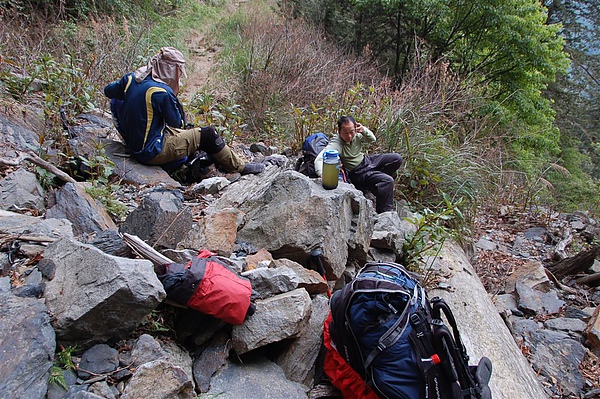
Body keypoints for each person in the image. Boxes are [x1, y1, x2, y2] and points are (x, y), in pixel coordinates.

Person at [104, 47, 265, 177]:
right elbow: (177, 122)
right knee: (208, 134)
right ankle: (240, 167)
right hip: (150, 151)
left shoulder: (132, 78)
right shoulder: (161, 92)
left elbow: (109, 91)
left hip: (134, 142)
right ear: (172, 70)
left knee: (188, 134)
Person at [314, 116, 403, 213]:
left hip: (367, 161)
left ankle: (375, 185)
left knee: (396, 158)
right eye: (345, 133)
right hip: (358, 172)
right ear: (339, 131)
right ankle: (384, 213)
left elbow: (372, 139)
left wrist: (364, 130)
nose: (349, 136)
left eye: (351, 132)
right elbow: (319, 159)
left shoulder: (357, 135)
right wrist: (322, 174)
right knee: (388, 181)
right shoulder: (337, 142)